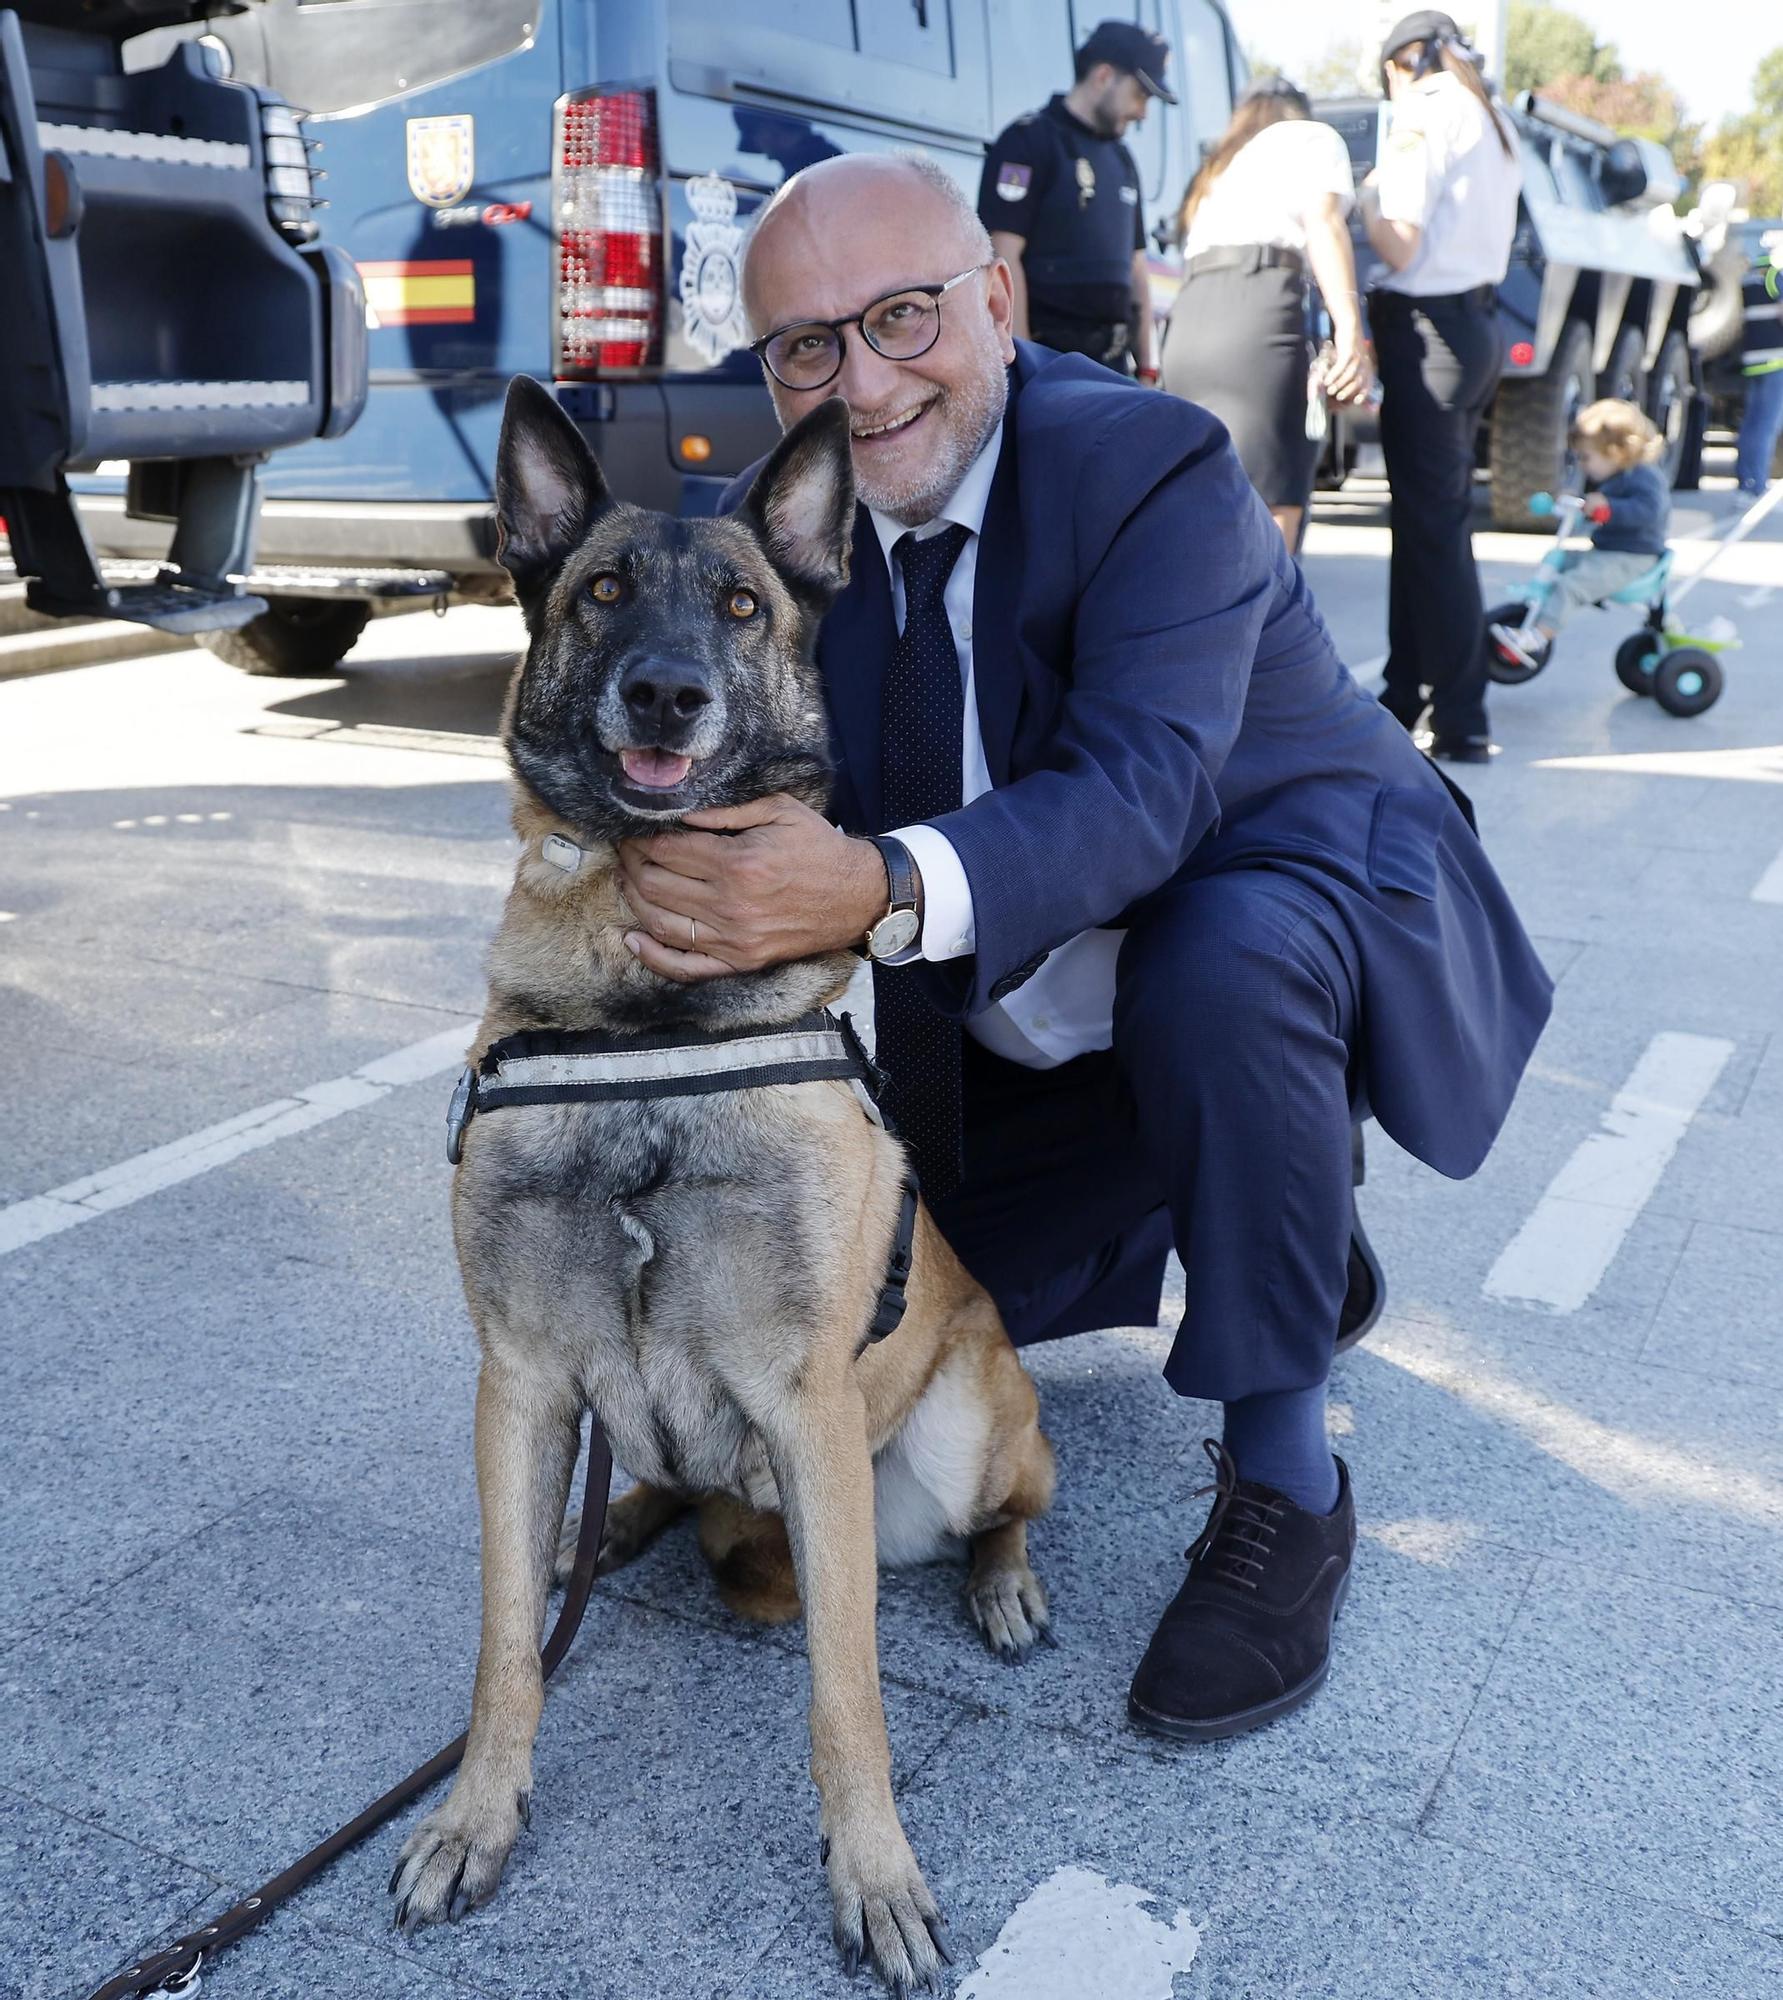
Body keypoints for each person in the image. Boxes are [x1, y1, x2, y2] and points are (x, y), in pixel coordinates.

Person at [611, 154, 1552, 1745]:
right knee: (914, 1304)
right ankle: (1279, 1229)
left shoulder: (1152, 465)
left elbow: (1139, 794)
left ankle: (1283, 1479)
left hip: (1272, 885)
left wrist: (856, 887)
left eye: (902, 316)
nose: (864, 379)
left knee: (1221, 961)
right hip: (1013, 995)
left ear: (996, 296)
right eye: (806, 349)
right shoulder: (786, 535)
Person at [1359, 10, 1521, 764]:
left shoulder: (1421, 111)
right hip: (1471, 327)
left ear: (1399, 64)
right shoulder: (1489, 116)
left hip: (1426, 331)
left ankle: (1460, 717)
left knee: (1435, 530)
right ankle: (1405, 692)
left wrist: (1356, 201)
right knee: (1428, 524)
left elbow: (1400, 238)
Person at [1161, 76, 1373, 549]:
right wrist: (1350, 331)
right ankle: (1263, 622)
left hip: (1190, 322)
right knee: (1272, 508)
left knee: (1198, 505)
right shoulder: (1312, 138)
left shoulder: (1216, 171)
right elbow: (1324, 223)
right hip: (1256, 318)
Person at [977, 18, 1174, 378]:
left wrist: (1147, 367)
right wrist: (1024, 366)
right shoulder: (1027, 142)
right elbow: (1003, 256)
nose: (1142, 112)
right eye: (1139, 94)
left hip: (1112, 369)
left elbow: (1137, 267)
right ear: (1103, 76)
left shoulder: (1123, 159)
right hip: (1048, 363)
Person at [1489, 400, 1670, 671]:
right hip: (1608, 554)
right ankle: (1533, 609)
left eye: (1587, 457)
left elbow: (1648, 512)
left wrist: (1608, 509)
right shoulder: (1615, 478)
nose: (1583, 465)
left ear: (1617, 451)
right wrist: (1578, 504)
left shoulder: (1644, 477)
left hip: (1632, 559)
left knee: (1572, 585)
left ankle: (1538, 636)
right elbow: (1596, 506)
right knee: (1558, 559)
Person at [1735, 227, 1783, 497]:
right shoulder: (1777, 275)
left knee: (1752, 424)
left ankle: (1745, 482)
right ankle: (1759, 485)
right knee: (1766, 425)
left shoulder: (1750, 276)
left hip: (1753, 360)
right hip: (1775, 362)